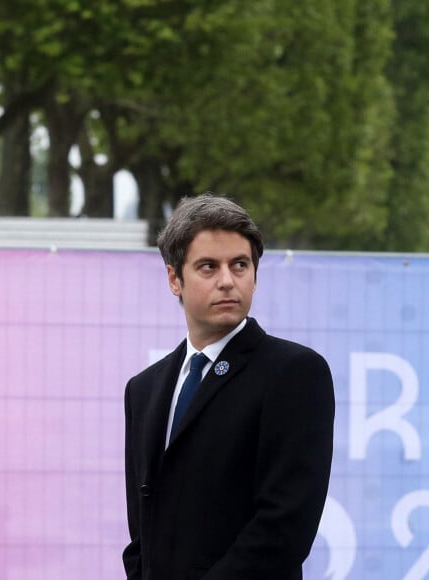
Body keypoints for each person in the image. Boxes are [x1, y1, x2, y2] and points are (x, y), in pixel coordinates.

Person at [123, 193, 335, 580]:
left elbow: (284, 529)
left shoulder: (295, 373)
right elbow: (142, 533)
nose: (227, 281)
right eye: (208, 267)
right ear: (175, 278)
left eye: (240, 265)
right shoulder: (144, 389)